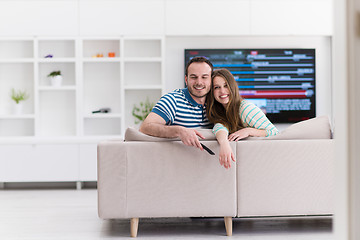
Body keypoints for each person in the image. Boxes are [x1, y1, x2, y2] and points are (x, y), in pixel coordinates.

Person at [206, 68, 279, 169]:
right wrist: (224, 144)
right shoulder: (219, 111)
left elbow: (274, 132)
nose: (222, 91)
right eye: (216, 87)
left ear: (232, 86)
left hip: (265, 159)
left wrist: (249, 131)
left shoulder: (245, 108)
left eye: (226, 85)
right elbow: (220, 127)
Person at [139, 56, 213, 151]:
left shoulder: (217, 101)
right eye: (193, 77)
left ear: (211, 79)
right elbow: (145, 127)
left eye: (204, 77)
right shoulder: (173, 100)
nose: (199, 82)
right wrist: (179, 131)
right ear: (186, 80)